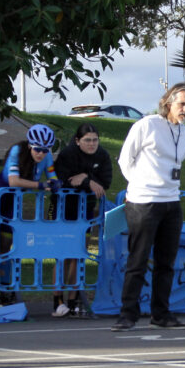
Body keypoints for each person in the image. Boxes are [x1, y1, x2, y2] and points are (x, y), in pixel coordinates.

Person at [111, 83, 185, 331]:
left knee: (166, 263)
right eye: (182, 104)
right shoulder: (146, 125)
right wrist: (137, 188)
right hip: (144, 202)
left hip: (172, 202)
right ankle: (127, 314)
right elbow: (125, 160)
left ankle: (161, 313)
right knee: (137, 260)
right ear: (168, 102)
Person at [0, 124, 60, 307]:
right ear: (30, 145)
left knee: (6, 247)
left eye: (45, 150)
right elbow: (13, 181)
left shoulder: (46, 157)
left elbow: (52, 177)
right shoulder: (17, 151)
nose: (41, 154)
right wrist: (41, 185)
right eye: (38, 149)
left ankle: (5, 287)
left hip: (11, 201)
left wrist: (55, 183)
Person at [52, 122, 112, 317]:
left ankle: (74, 299)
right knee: (63, 255)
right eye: (87, 140)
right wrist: (87, 182)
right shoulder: (68, 154)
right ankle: (57, 300)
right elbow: (64, 179)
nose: (92, 144)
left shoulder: (102, 155)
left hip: (85, 209)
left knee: (78, 254)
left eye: (95, 140)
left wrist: (86, 178)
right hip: (63, 208)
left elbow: (104, 183)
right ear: (78, 141)